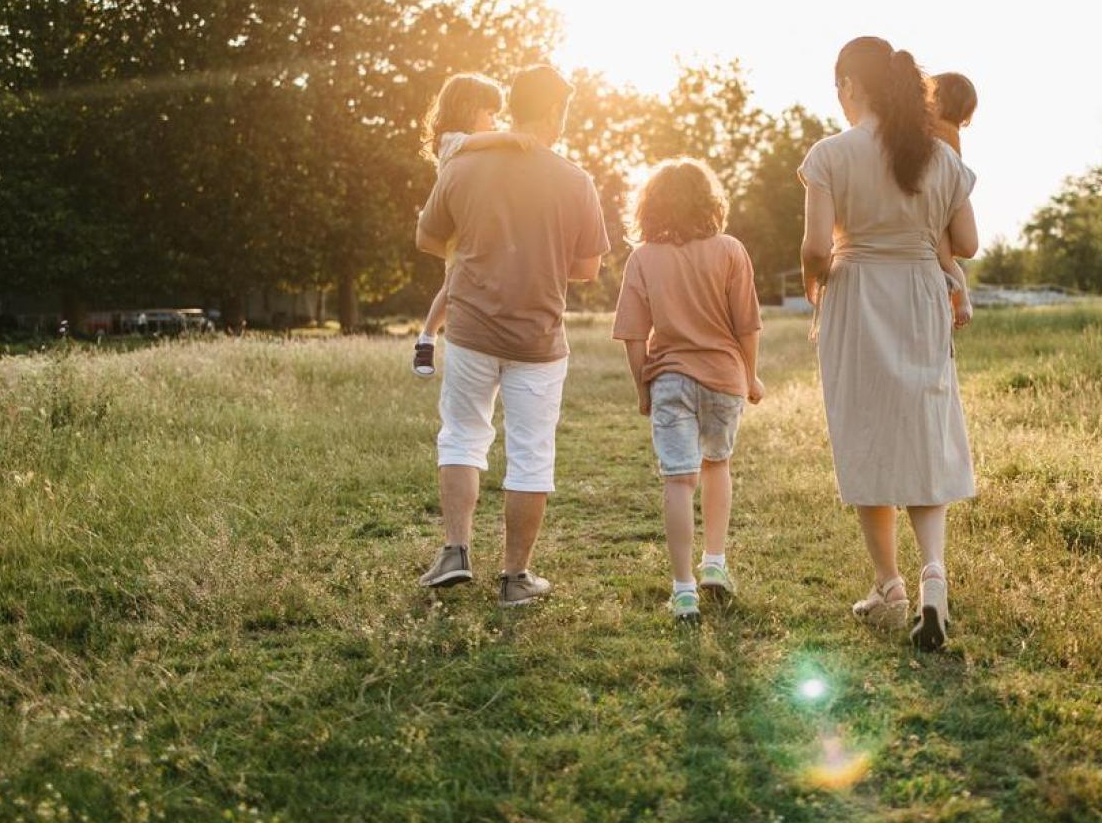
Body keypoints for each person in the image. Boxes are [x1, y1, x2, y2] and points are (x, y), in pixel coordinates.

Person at [799, 36, 980, 650]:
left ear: (851, 85)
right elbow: (968, 241)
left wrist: (813, 286)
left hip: (857, 294)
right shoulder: (938, 155)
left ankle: (888, 585)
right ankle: (933, 573)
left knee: (867, 430)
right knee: (924, 429)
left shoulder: (830, 154)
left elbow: (815, 250)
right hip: (920, 294)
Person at [415, 64, 610, 607]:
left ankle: (456, 552)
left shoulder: (463, 165)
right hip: (538, 340)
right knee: (530, 454)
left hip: (473, 327)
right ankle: (515, 577)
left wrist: (480, 249)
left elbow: (428, 238)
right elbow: (589, 268)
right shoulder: (575, 179)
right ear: (552, 112)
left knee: (461, 436)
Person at [612, 159, 765, 624]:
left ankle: (683, 591)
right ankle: (714, 563)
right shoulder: (731, 250)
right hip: (723, 378)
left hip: (670, 379)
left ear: (650, 207)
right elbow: (748, 325)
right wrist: (751, 376)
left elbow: (634, 336)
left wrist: (643, 387)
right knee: (717, 466)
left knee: (679, 480)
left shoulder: (642, 259)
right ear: (709, 202)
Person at [411, 74, 535, 378]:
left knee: (458, 282)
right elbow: (478, 142)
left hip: (471, 223)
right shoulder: (451, 141)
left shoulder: (473, 146)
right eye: (490, 113)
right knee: (454, 283)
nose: (494, 121)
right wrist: (508, 137)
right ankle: (427, 338)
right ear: (467, 108)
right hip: (456, 226)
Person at [930, 72, 979, 329]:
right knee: (947, 259)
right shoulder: (952, 131)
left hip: (938, 205)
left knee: (945, 258)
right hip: (944, 203)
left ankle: (961, 302)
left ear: (935, 100)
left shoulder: (938, 130)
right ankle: (961, 301)